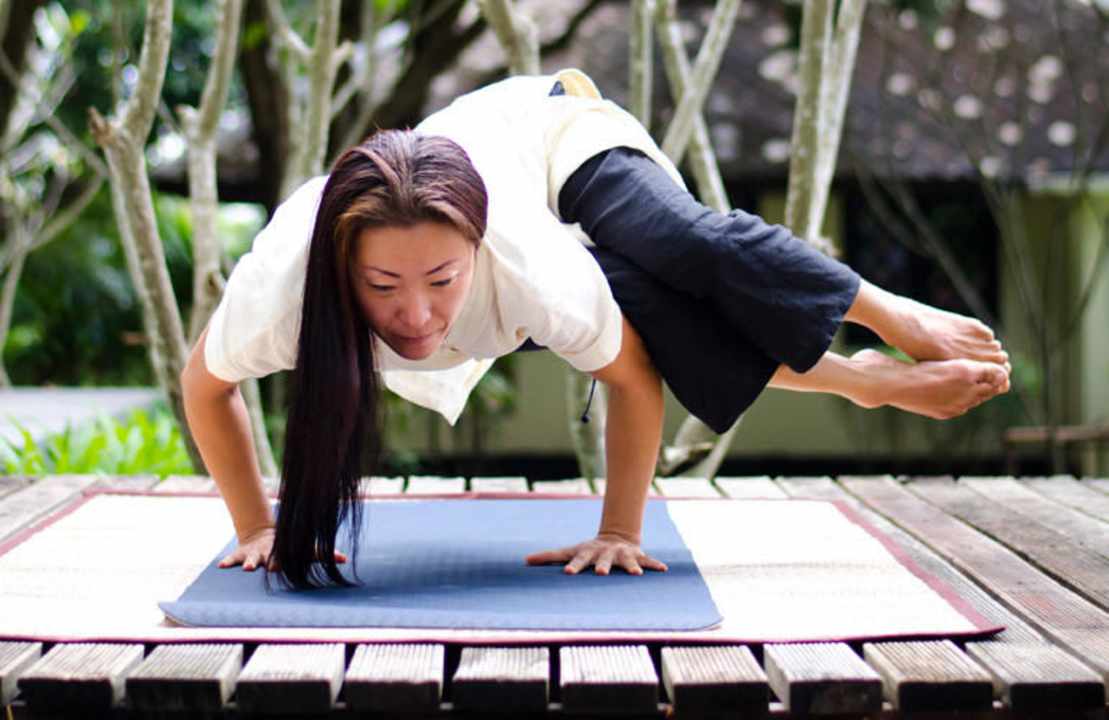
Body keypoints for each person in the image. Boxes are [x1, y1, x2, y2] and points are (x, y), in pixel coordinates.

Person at [180, 69, 1010, 590]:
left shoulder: (528, 263)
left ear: (478, 254)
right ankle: (860, 380)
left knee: (677, 246)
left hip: (553, 134)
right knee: (648, 309)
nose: (417, 316)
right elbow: (205, 387)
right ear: (341, 268)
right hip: (471, 186)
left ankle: (892, 314)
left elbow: (627, 377)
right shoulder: (284, 285)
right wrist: (256, 526)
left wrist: (618, 532)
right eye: (381, 287)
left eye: (441, 281)